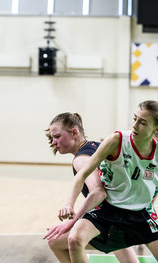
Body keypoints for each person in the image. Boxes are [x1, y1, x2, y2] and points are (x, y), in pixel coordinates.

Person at [44, 101, 158, 263]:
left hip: (139, 213)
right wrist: (69, 205)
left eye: (142, 122)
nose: (135, 125)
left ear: (157, 129)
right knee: (74, 239)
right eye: (134, 118)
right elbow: (82, 176)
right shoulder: (116, 140)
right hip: (109, 211)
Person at [44, 112, 139, 263]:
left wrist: (73, 220)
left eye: (57, 136)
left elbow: (98, 192)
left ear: (74, 132)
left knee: (55, 241)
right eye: (52, 138)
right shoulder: (96, 146)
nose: (53, 142)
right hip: (125, 214)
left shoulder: (80, 159)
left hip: (108, 219)